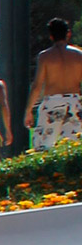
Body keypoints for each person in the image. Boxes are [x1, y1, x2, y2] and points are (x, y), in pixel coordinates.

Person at [24, 17, 82, 151]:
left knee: (43, 147)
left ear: (51, 36)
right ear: (68, 34)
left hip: (52, 102)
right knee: (73, 149)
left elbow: (37, 86)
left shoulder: (45, 56)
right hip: (74, 102)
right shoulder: (79, 55)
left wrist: (28, 110)